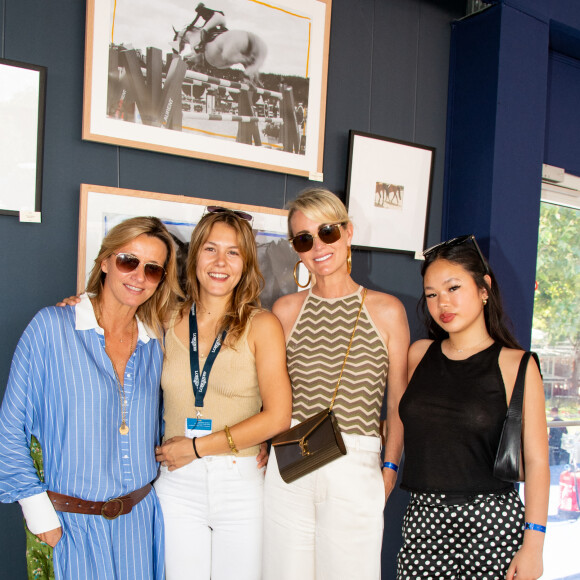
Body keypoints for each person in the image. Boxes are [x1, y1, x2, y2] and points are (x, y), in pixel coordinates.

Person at [0, 216, 182, 579]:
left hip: (140, 522)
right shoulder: (51, 328)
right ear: (105, 262)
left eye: (153, 269)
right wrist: (39, 515)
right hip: (70, 527)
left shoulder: (156, 343)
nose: (138, 276)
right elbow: (10, 428)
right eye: (128, 261)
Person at [262, 188, 410, 580]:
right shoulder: (286, 310)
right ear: (296, 248)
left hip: (355, 462)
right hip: (292, 462)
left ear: (348, 233)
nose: (317, 246)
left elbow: (397, 404)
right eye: (304, 239)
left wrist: (389, 470)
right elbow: (270, 396)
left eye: (327, 232)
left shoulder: (387, 310)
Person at [397, 234, 549, 580]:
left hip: (490, 522)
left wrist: (534, 545)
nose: (442, 304)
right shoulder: (419, 354)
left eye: (453, 288)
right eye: (432, 294)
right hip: (423, 519)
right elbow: (409, 424)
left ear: (484, 289)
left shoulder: (517, 365)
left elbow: (538, 461)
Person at [153, 207, 292, 580]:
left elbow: (278, 417)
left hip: (239, 483)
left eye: (233, 252)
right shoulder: (164, 317)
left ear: (246, 263)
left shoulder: (263, 325)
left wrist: (198, 447)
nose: (220, 262)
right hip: (177, 481)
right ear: (195, 253)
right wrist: (81, 303)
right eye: (211, 249)